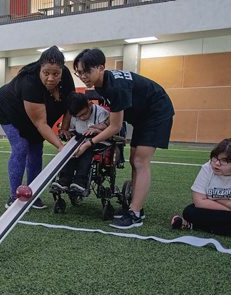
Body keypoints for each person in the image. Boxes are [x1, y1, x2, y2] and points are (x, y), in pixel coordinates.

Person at [73, 48, 174, 229]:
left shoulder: (115, 86)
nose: (83, 76)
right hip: (143, 114)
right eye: (79, 72)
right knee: (134, 161)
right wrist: (102, 125)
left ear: (101, 67)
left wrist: (89, 143)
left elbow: (116, 127)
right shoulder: (102, 84)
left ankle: (135, 214)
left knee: (140, 161)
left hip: (156, 112)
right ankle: (136, 206)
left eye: (86, 71)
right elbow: (116, 114)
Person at [0, 45, 76, 209]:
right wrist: (61, 147)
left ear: (61, 70)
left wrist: (64, 128)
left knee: (36, 150)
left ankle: (33, 194)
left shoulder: (65, 75)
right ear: (40, 68)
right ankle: (14, 196)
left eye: (55, 74)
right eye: (46, 73)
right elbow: (40, 124)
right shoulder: (29, 81)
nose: (51, 78)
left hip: (37, 111)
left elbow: (70, 105)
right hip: (10, 108)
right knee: (21, 146)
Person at [171, 138, 231, 240]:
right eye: (215, 158)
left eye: (224, 160)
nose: (216, 163)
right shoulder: (208, 167)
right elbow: (199, 202)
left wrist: (215, 198)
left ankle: (195, 225)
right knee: (190, 211)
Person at [52, 92, 109, 196]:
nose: (82, 118)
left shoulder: (101, 112)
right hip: (80, 139)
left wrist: (97, 130)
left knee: (86, 153)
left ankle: (80, 182)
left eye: (84, 114)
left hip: (98, 141)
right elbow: (73, 129)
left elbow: (109, 130)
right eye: (79, 116)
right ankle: (64, 180)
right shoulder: (75, 115)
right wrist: (68, 132)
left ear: (90, 105)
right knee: (70, 153)